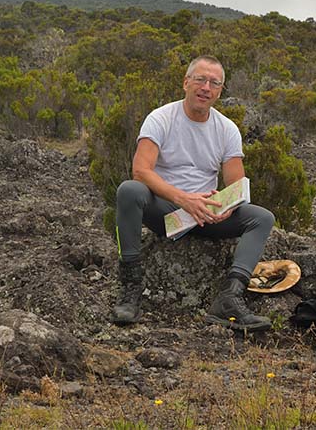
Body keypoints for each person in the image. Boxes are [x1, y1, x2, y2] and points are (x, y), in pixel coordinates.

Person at [112, 55, 275, 331]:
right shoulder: (161, 118)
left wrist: (226, 207)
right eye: (200, 79)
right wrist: (182, 199)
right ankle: (131, 288)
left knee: (261, 217)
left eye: (214, 83)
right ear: (186, 82)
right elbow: (141, 170)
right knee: (129, 190)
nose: (206, 87)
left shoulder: (226, 129)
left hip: (206, 216)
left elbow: (236, 185)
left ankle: (230, 297)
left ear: (220, 91)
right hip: (167, 213)